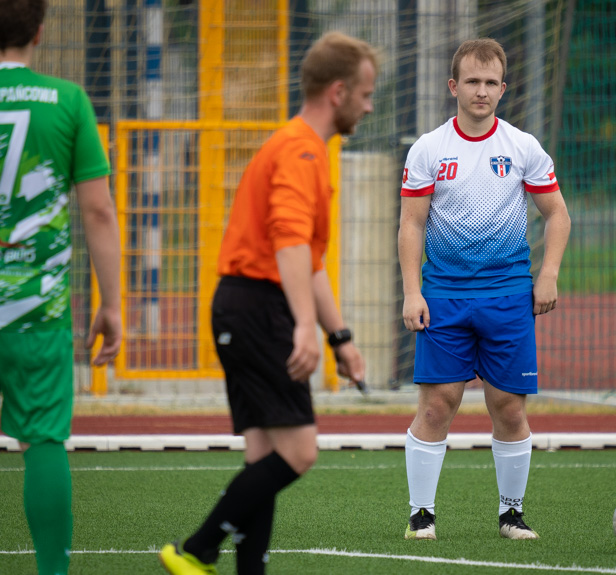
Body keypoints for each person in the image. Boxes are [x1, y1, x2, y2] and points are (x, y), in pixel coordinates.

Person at [159, 31, 377, 575]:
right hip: (258, 307)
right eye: (367, 93)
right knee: (299, 452)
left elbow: (310, 260)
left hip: (247, 306)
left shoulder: (303, 146)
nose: (370, 106)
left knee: (264, 456)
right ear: (338, 91)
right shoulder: (302, 149)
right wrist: (305, 325)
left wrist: (340, 338)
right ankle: (195, 549)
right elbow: (288, 242)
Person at [399, 38, 570, 541]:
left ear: (503, 88)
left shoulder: (522, 147)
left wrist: (549, 274)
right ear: (453, 86)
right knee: (436, 405)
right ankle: (421, 516)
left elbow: (557, 213)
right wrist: (413, 292)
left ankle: (511, 515)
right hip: (444, 297)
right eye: (471, 81)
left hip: (509, 297)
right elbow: (411, 225)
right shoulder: (429, 148)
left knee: (510, 407)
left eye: (490, 82)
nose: (481, 91)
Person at [0, 1, 123, 573]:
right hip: (34, 306)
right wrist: (112, 304)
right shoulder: (68, 101)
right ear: (41, 30)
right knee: (43, 442)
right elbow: (98, 211)